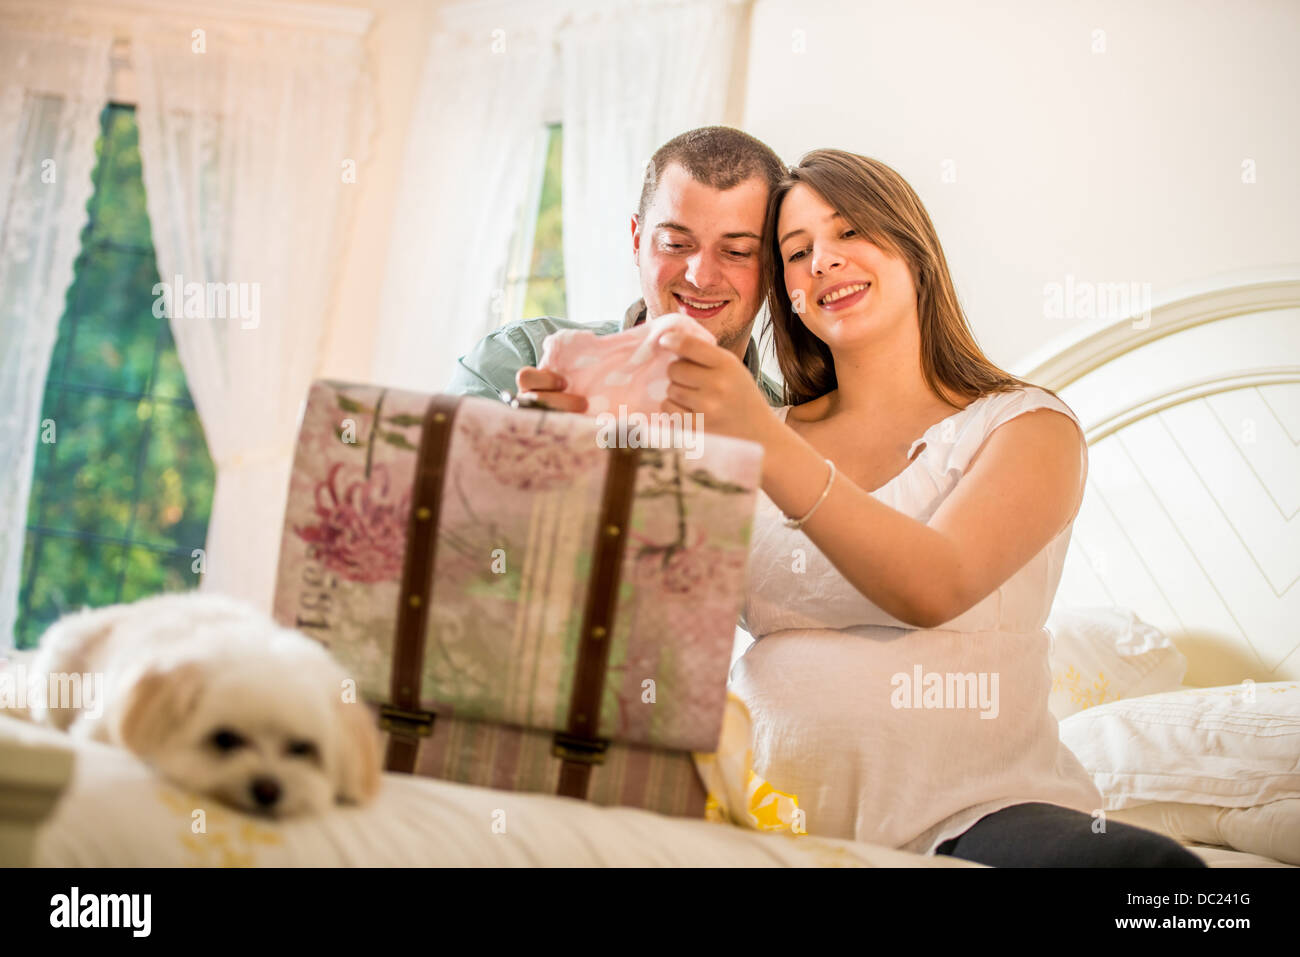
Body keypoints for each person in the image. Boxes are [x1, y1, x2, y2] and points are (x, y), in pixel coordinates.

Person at [654, 148, 1204, 868]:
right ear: (784, 290)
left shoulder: (1026, 427)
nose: (823, 261)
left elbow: (932, 584)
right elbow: (642, 614)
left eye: (850, 232)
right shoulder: (755, 436)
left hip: (979, 820)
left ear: (914, 250)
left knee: (1164, 884)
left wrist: (759, 437)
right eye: (797, 251)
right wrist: (558, 446)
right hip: (762, 824)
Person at [444, 126, 785, 409]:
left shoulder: (788, 427)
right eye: (676, 245)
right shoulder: (519, 359)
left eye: (737, 252)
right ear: (637, 241)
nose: (701, 277)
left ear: (775, 264)